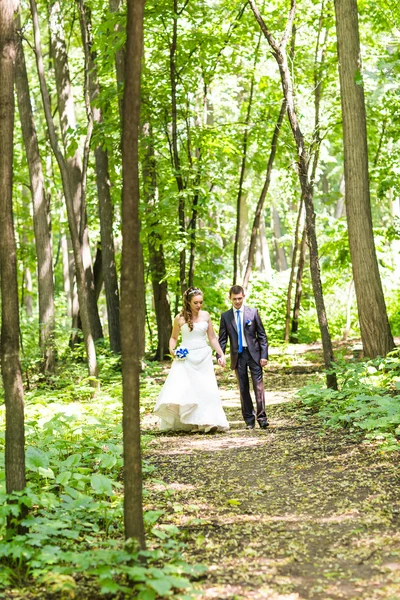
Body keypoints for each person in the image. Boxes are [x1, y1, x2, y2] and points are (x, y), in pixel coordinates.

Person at [154, 287, 229, 433]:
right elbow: (173, 338)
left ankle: (208, 421)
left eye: (201, 302)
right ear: (188, 302)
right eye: (195, 302)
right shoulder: (179, 318)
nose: (199, 305)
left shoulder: (206, 316)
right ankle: (192, 422)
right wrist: (172, 349)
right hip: (186, 357)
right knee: (189, 390)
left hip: (203, 357)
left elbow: (212, 337)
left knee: (206, 389)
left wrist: (220, 354)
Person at [217, 285, 269, 430]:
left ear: (244, 296)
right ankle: (249, 420)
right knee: (243, 388)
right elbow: (222, 339)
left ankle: (262, 418)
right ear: (230, 299)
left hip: (254, 354)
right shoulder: (225, 316)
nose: (238, 302)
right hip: (238, 356)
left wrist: (264, 355)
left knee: (258, 387)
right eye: (235, 299)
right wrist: (220, 355)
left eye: (240, 298)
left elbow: (262, 336)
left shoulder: (253, 313)